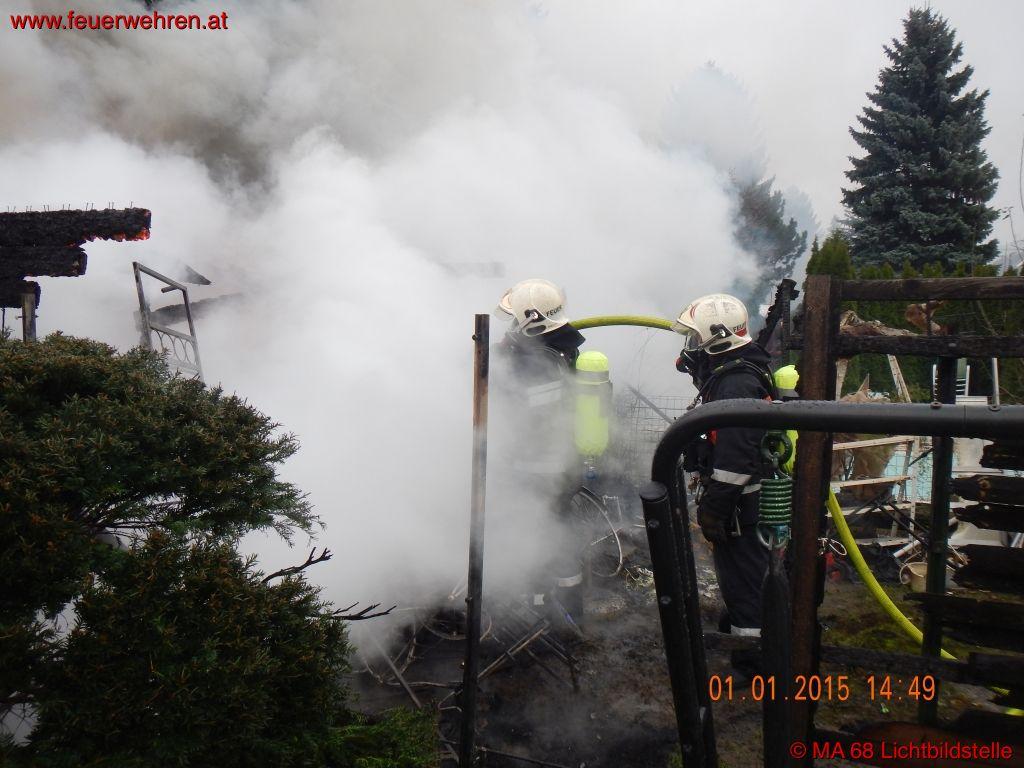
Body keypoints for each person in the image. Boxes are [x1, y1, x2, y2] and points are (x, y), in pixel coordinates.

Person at [673, 293, 776, 643]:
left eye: (696, 338)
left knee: (745, 586)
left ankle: (754, 661)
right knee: (741, 582)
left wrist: (715, 508)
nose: (692, 345)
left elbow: (735, 457)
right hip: (740, 505)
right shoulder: (735, 372)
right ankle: (741, 634)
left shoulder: (736, 382)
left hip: (740, 507)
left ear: (717, 338)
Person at [493, 279, 588, 629]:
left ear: (531, 321)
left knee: (541, 537)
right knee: (558, 538)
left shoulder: (541, 363)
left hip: (540, 471)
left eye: (515, 321)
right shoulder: (558, 349)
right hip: (558, 467)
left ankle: (545, 615)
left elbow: (528, 419)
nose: (512, 329)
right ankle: (561, 614)